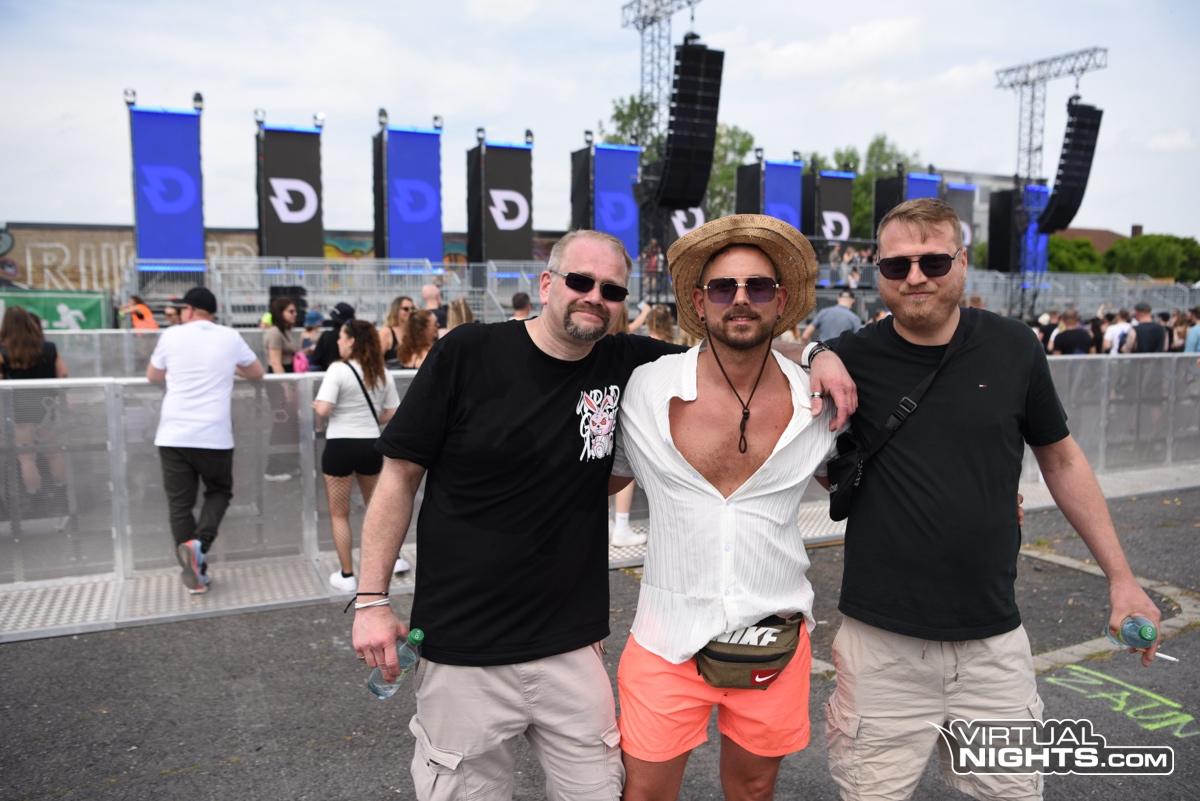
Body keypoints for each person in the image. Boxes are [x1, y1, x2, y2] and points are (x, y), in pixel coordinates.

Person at [351, 229, 856, 801]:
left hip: (572, 647)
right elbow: (398, 477)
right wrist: (371, 601)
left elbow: (740, 343)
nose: (595, 296)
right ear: (547, 283)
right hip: (462, 646)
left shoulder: (627, 364)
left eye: (612, 289)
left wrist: (817, 353)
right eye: (580, 281)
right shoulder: (469, 352)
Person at [822, 198, 1161, 801]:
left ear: (962, 261)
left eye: (932, 261)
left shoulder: (1014, 346)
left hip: (992, 645)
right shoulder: (850, 358)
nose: (915, 277)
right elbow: (806, 448)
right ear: (877, 271)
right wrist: (813, 354)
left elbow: (1061, 459)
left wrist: (1122, 578)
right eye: (897, 266)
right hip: (881, 648)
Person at [611, 215, 839, 801]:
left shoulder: (820, 401)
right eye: (722, 287)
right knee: (644, 794)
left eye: (757, 287)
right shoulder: (644, 389)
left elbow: (875, 483)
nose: (740, 299)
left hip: (774, 637)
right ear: (698, 301)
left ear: (780, 301)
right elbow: (585, 482)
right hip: (665, 638)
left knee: (754, 790)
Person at [146, 287, 264, 594]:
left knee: (180, 504)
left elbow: (153, 376)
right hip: (214, 434)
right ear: (212, 312)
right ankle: (200, 543)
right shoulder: (229, 337)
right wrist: (229, 368)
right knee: (219, 491)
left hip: (173, 433)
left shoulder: (171, 335)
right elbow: (257, 372)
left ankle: (193, 575)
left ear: (189, 310)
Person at [313, 319, 404, 593]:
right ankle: (386, 566)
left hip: (340, 446)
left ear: (352, 341)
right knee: (376, 510)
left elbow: (324, 409)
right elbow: (392, 411)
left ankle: (347, 575)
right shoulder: (381, 372)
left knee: (339, 514)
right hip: (370, 445)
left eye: (342, 337)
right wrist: (371, 418)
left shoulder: (338, 369)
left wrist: (316, 404)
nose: (338, 341)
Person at [0, 306, 69, 495]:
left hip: (18, 410)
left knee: (26, 457)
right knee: (53, 453)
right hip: (46, 408)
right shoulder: (49, 348)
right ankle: (62, 492)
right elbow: (63, 374)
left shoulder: (3, 352)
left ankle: (34, 495)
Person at [263, 296, 301, 482]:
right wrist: (286, 387)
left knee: (289, 424)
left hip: (286, 379)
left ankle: (288, 464)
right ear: (280, 312)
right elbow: (276, 363)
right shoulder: (275, 333)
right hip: (279, 382)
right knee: (281, 422)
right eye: (290, 311)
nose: (295, 314)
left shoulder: (284, 332)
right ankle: (274, 468)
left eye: (295, 311)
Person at [310, 303, 356, 371]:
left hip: (326, 373)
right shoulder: (354, 338)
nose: (339, 342)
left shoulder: (326, 336)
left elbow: (315, 360)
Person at [379, 296, 415, 368]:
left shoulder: (414, 331)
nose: (410, 311)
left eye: (413, 309)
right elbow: (377, 358)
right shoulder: (386, 332)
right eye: (406, 309)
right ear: (396, 310)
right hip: (392, 373)